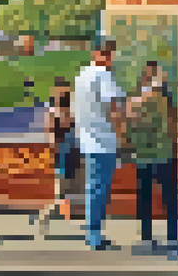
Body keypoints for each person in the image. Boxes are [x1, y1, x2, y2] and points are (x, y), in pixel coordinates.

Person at [73, 38, 126, 251]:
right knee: (99, 189)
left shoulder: (82, 75)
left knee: (93, 187)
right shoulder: (104, 76)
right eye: (105, 53)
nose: (108, 57)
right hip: (104, 140)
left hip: (87, 139)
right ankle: (94, 234)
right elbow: (114, 109)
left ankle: (92, 232)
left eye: (109, 52)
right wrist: (123, 136)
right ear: (96, 53)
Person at [127, 61, 178, 250]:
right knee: (169, 197)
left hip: (142, 154)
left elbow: (130, 125)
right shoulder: (166, 98)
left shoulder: (135, 101)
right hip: (164, 153)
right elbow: (173, 125)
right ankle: (172, 236)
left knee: (145, 197)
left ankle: (146, 237)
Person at [36, 76, 79, 237]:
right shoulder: (56, 109)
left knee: (68, 191)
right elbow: (53, 133)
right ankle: (46, 218)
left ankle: (51, 218)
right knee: (62, 192)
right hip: (64, 155)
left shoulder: (65, 107)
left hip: (70, 153)